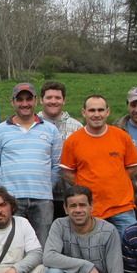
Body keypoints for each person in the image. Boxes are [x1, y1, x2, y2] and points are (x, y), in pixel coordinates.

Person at [0, 82, 62, 244]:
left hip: (43, 200)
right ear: (12, 102)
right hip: (12, 200)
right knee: (13, 245)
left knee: (42, 244)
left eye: (29, 99)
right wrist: (6, 193)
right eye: (20, 100)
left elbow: (56, 165)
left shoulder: (51, 130)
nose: (25, 104)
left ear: (36, 101)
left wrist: (46, 186)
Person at [60, 94, 137, 235]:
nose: (96, 114)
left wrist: (115, 179)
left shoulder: (122, 137)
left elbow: (133, 166)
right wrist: (87, 183)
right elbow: (67, 172)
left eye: (100, 110)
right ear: (84, 112)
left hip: (122, 207)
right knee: (93, 251)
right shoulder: (73, 141)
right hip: (91, 209)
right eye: (92, 110)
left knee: (130, 249)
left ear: (107, 112)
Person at [38, 81, 83, 218]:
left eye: (57, 98)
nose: (53, 101)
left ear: (64, 100)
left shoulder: (77, 128)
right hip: (40, 194)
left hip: (68, 194)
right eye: (49, 97)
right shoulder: (32, 124)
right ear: (41, 100)